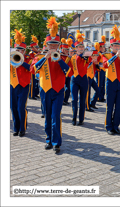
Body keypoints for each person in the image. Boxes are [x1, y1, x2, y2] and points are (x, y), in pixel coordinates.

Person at [32, 17, 70, 153]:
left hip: (58, 91)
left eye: (55, 45)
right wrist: (46, 58)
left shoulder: (64, 58)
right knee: (47, 116)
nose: (53, 47)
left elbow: (69, 72)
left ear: (58, 45)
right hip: (45, 90)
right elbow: (33, 69)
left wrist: (59, 60)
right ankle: (48, 139)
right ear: (46, 46)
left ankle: (56, 142)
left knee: (55, 116)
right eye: (50, 45)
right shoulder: (39, 57)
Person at [102, 25, 120, 135]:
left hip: (119, 83)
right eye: (115, 45)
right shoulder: (106, 55)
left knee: (119, 106)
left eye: (118, 45)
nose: (117, 47)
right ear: (111, 46)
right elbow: (105, 65)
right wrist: (116, 56)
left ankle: (116, 125)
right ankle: (108, 126)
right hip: (110, 82)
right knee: (110, 106)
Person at [66, 30, 92, 126]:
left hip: (84, 79)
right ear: (76, 48)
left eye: (82, 47)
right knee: (74, 100)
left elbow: (89, 60)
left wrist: (83, 54)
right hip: (74, 80)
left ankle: (81, 119)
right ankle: (74, 117)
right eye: (79, 47)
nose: (81, 48)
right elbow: (69, 66)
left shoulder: (86, 55)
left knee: (82, 99)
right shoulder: (72, 57)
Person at [10, 29, 32, 137]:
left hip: (24, 86)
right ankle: (16, 128)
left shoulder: (28, 59)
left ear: (24, 51)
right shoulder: (10, 59)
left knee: (20, 107)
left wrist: (22, 62)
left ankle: (22, 129)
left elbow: (32, 69)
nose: (19, 51)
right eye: (17, 49)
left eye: (21, 50)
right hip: (13, 85)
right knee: (13, 107)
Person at [86, 46, 101, 112]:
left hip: (92, 77)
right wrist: (91, 62)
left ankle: (92, 103)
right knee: (88, 93)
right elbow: (85, 67)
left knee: (98, 90)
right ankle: (87, 107)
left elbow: (99, 70)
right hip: (87, 77)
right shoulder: (88, 60)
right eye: (95, 55)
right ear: (92, 55)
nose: (96, 57)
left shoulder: (96, 61)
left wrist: (97, 64)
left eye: (97, 55)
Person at [28, 35, 40, 100]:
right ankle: (31, 95)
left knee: (36, 83)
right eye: (36, 47)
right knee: (33, 83)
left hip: (36, 70)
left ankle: (35, 94)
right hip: (32, 69)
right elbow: (30, 61)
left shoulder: (37, 53)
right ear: (32, 47)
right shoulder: (31, 53)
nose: (38, 48)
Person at [95, 35, 106, 102]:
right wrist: (102, 65)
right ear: (100, 47)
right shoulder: (98, 54)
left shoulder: (103, 54)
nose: (104, 48)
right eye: (103, 47)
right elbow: (97, 62)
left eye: (104, 47)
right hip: (99, 70)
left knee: (102, 84)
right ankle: (98, 97)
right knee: (99, 84)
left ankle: (102, 96)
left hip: (103, 70)